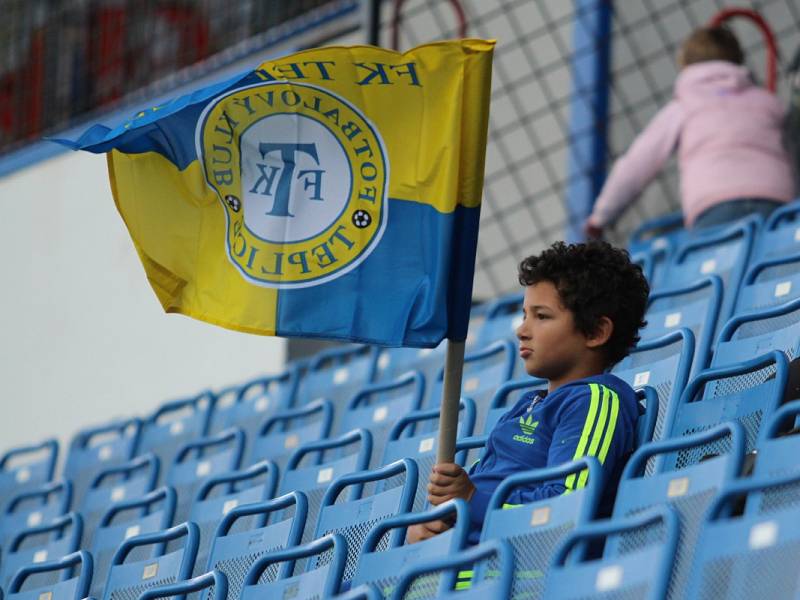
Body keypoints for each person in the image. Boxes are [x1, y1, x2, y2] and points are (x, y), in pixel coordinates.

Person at [407, 241, 650, 545]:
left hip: (507, 572)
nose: (522, 330)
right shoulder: (527, 405)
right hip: (456, 558)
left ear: (596, 332)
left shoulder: (595, 401)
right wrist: (433, 524)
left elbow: (565, 508)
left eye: (542, 316)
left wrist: (470, 500)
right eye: (524, 315)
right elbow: (480, 486)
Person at [585, 26, 796, 237]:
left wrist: (600, 217)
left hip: (713, 204)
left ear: (684, 64)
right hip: (775, 199)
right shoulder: (768, 102)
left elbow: (637, 164)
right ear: (738, 60)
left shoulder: (683, 106)